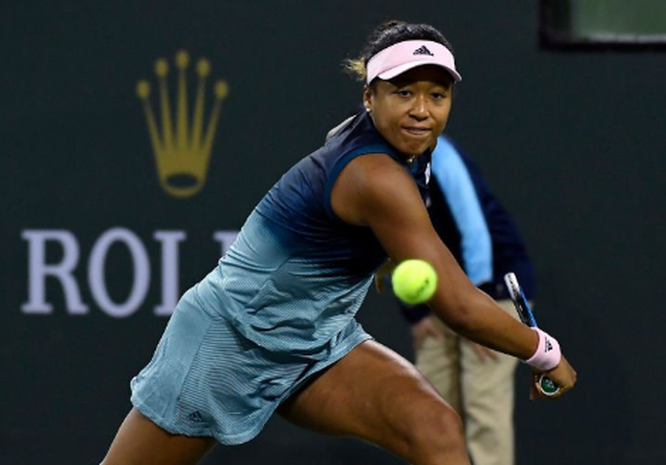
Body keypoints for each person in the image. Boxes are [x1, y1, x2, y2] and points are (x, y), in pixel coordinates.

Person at [101, 20, 576, 465]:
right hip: (228, 343)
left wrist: (382, 263)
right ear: (370, 97)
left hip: (317, 341)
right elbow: (459, 306)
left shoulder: (404, 149)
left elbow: (356, 237)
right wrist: (543, 351)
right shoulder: (375, 177)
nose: (421, 110)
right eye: (403, 92)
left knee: (434, 429)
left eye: (437, 94)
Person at [396, 134, 538, 465]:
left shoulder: (442, 156)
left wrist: (481, 313)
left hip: (498, 289)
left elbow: (475, 233)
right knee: (430, 406)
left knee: (484, 404)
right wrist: (416, 315)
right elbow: (389, 242)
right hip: (442, 294)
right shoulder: (375, 168)